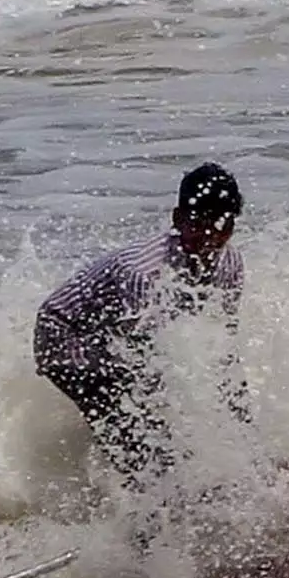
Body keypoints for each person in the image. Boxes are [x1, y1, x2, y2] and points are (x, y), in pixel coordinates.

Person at [35, 163, 247, 482]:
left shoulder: (230, 264)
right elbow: (139, 356)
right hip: (65, 337)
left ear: (230, 228)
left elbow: (224, 346)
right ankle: (138, 515)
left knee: (177, 428)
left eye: (219, 225)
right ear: (177, 219)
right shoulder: (143, 272)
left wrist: (241, 421)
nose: (207, 235)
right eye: (197, 222)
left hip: (110, 335)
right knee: (140, 437)